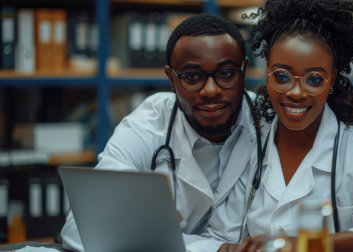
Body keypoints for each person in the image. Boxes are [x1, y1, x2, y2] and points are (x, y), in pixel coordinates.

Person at [60, 13, 267, 251]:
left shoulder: (269, 123)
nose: (211, 90)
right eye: (192, 77)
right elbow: (82, 229)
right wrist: (214, 249)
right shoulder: (149, 123)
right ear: (171, 79)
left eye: (227, 74)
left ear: (244, 72)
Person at [204, 0, 353, 251]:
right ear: (267, 74)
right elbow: (219, 234)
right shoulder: (248, 145)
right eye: (282, 77)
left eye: (314, 79)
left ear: (332, 80)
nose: (296, 92)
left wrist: (300, 245)